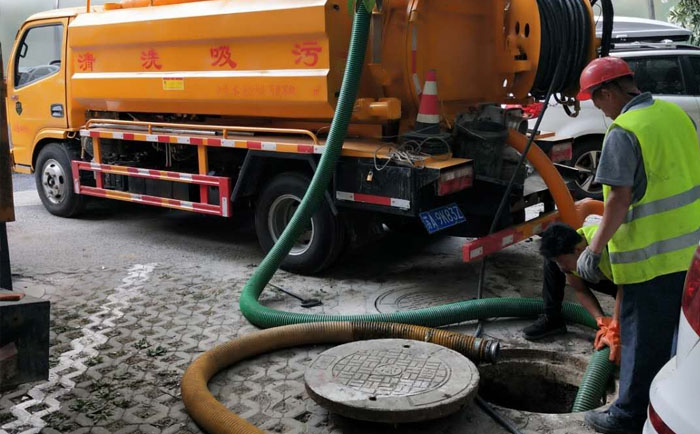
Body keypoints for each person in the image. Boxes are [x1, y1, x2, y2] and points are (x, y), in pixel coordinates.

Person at [575, 56, 700, 434]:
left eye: (595, 100)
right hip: (689, 253)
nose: (599, 109)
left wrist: (594, 249)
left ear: (608, 92)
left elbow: (618, 198)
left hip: (651, 260)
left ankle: (628, 416)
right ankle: (666, 404)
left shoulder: (624, 131)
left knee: (641, 341)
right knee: (679, 340)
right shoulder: (676, 115)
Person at [523, 223, 622, 364]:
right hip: (601, 274)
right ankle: (552, 319)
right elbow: (580, 290)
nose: (562, 267)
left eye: (563, 261)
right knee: (551, 262)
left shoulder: (612, 247)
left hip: (636, 283)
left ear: (578, 250)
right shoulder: (572, 251)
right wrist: (601, 320)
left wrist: (615, 326)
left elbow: (626, 290)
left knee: (633, 327)